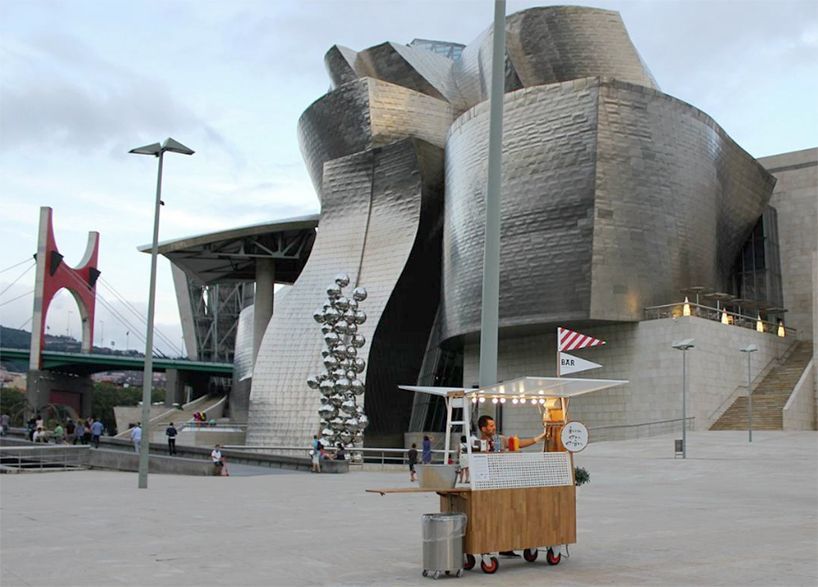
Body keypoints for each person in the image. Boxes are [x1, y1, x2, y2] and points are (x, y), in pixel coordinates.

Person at [477, 415, 547, 557]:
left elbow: (518, 443)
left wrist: (538, 438)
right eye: (490, 426)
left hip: (504, 482)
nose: (494, 427)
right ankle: (490, 547)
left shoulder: (499, 439)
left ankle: (506, 546)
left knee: (508, 515)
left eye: (494, 425)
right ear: (483, 428)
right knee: (492, 517)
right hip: (487, 485)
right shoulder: (477, 443)